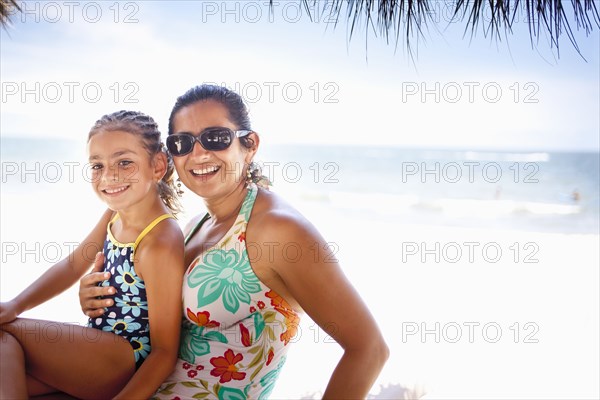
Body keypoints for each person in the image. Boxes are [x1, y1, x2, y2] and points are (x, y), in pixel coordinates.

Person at [79, 85, 390, 399]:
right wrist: (101, 296)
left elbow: (368, 350)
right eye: (182, 143)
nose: (198, 153)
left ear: (249, 145)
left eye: (216, 138)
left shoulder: (278, 231)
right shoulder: (192, 228)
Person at [0, 111, 185, 399]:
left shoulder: (159, 241)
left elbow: (164, 351)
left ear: (157, 165)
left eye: (124, 163)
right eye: (97, 165)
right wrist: (16, 304)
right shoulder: (115, 214)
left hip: (121, 361)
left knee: (2, 337)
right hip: (95, 347)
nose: (109, 176)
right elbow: (75, 264)